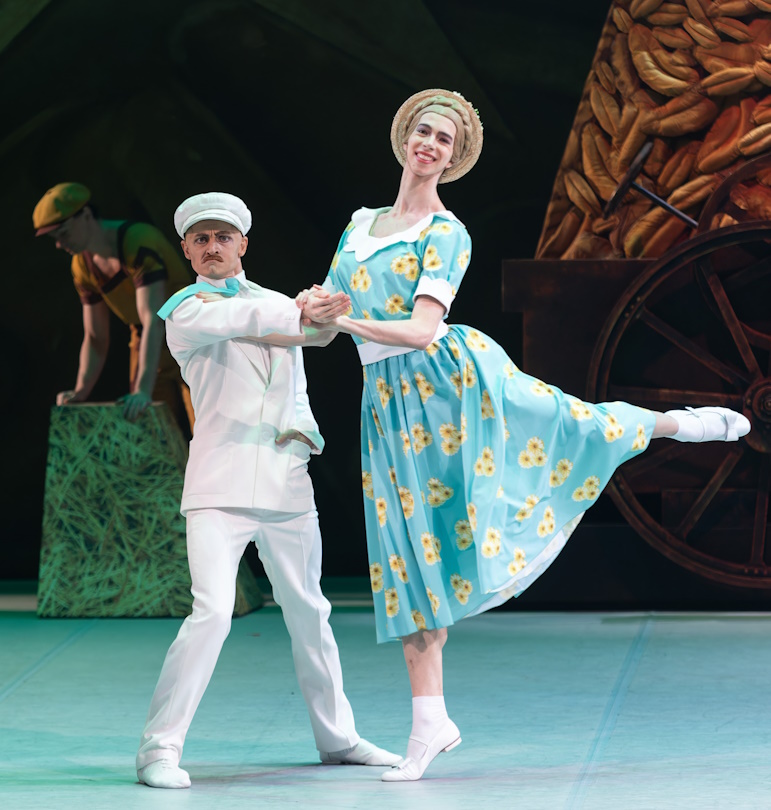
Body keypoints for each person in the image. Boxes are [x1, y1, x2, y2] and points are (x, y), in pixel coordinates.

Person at [295, 89, 752, 782]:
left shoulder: (447, 233)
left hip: (451, 385)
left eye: (444, 141)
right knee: (411, 558)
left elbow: (419, 331)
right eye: (424, 131)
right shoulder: (360, 226)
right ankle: (429, 722)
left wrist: (344, 320)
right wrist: (311, 308)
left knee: (571, 424)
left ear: (453, 159)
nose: (429, 145)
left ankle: (675, 424)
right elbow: (326, 323)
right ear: (404, 136)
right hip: (387, 405)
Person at [135, 192, 400, 789]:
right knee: (211, 612)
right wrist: (303, 308)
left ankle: (338, 738)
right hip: (220, 486)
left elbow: (316, 336)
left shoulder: (275, 303)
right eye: (201, 239)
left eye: (222, 237)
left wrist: (319, 310)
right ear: (187, 251)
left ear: (243, 244)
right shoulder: (185, 311)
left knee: (310, 610)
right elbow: (245, 321)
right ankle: (158, 749)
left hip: (285, 480)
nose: (212, 247)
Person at [33, 182, 195, 432]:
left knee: (206, 423)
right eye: (55, 238)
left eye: (63, 233)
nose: (59, 243)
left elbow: (154, 319)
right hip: (146, 341)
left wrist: (142, 390)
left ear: (86, 215)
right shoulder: (82, 266)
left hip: (188, 334)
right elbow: (96, 336)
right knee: (148, 431)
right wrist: (80, 391)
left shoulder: (138, 241)